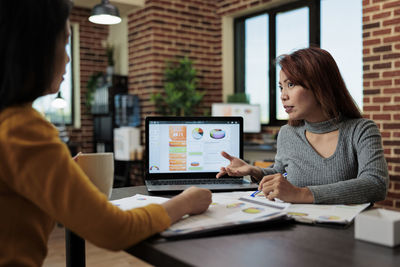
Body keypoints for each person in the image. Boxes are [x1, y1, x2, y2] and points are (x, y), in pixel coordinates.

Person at [0, 1, 212, 266]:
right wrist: (186, 202)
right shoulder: (23, 128)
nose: (67, 58)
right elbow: (115, 230)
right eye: (64, 42)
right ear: (34, 46)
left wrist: (61, 175)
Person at [217, 47, 388, 205]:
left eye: (290, 84)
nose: (283, 95)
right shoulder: (288, 133)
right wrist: (254, 171)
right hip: (295, 227)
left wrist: (302, 194)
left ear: (320, 85)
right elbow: (282, 172)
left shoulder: (361, 130)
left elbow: (375, 184)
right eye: (281, 87)